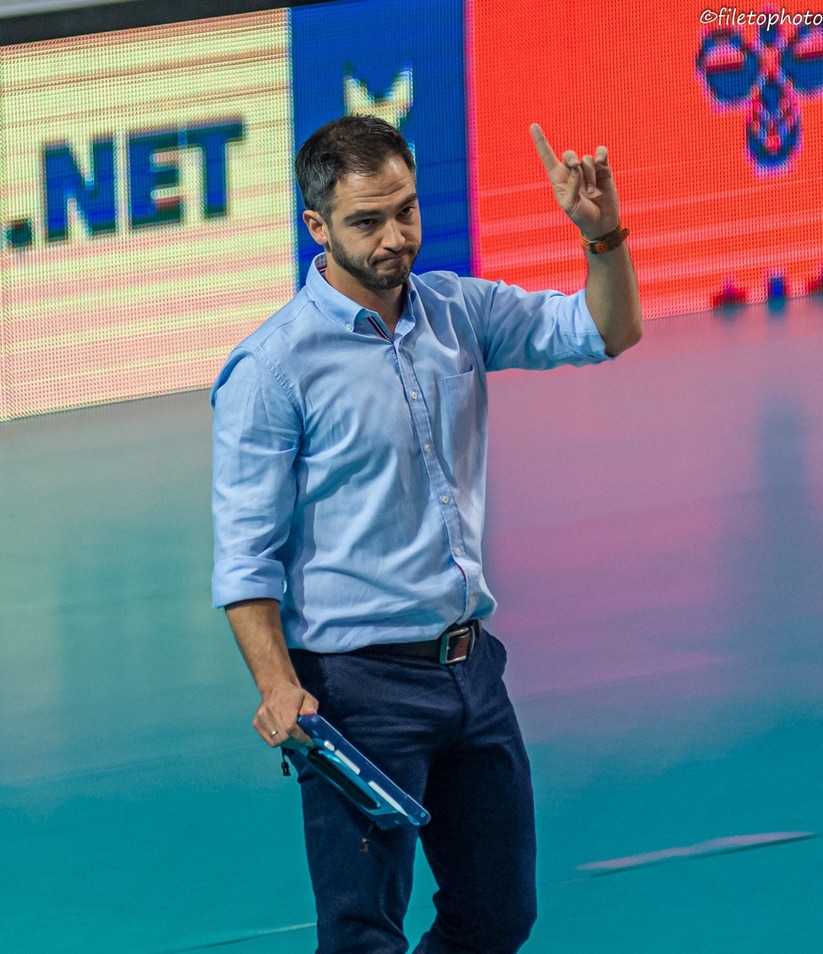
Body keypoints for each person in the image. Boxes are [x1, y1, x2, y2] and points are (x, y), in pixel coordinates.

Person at [211, 115, 642, 953]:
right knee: (362, 936)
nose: (395, 237)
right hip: (355, 691)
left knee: (497, 916)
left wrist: (602, 239)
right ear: (317, 226)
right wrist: (276, 686)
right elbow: (244, 556)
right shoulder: (271, 370)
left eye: (405, 210)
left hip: (470, 669)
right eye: (367, 220)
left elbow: (605, 331)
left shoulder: (458, 310)